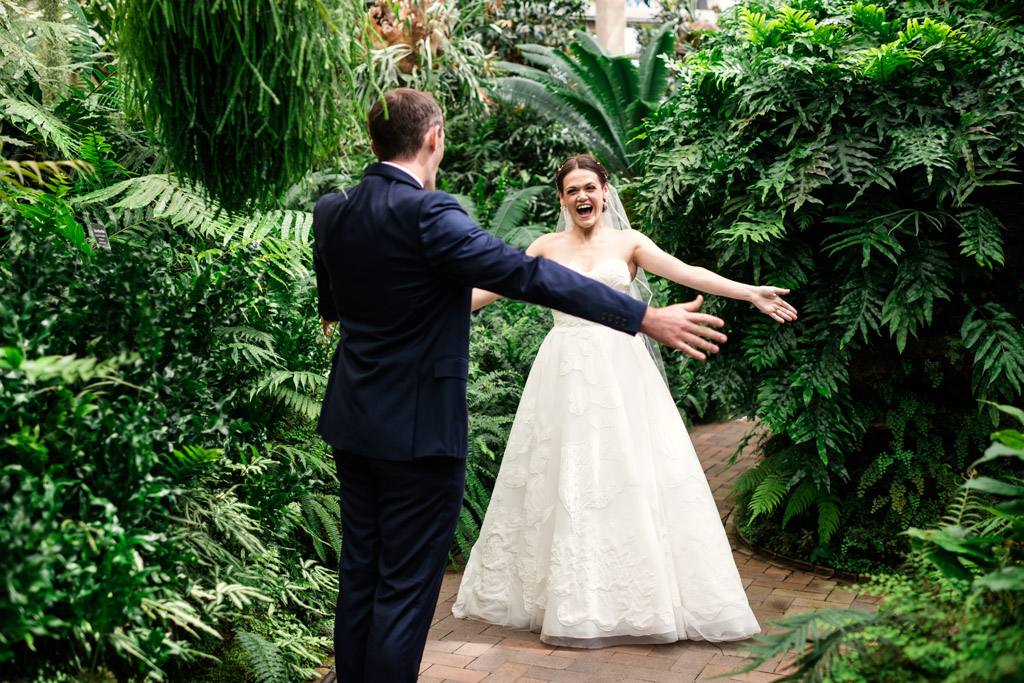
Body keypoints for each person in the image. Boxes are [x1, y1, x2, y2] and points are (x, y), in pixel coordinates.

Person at [312, 91, 736, 683]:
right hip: (420, 430)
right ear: (434, 137)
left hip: (351, 421)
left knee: (361, 571)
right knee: (405, 588)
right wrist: (642, 316)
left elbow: (331, 305)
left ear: (374, 141)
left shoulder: (332, 210)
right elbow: (529, 274)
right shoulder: (432, 214)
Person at [452, 154, 798, 647]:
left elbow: (688, 273)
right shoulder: (546, 246)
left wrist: (749, 292)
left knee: (630, 476)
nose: (582, 198)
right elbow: (488, 288)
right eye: (572, 191)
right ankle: (568, 599)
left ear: (606, 189)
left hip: (622, 375)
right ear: (562, 198)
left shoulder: (629, 243)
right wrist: (412, 311)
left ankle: (640, 598)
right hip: (563, 376)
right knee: (563, 480)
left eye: (589, 187)